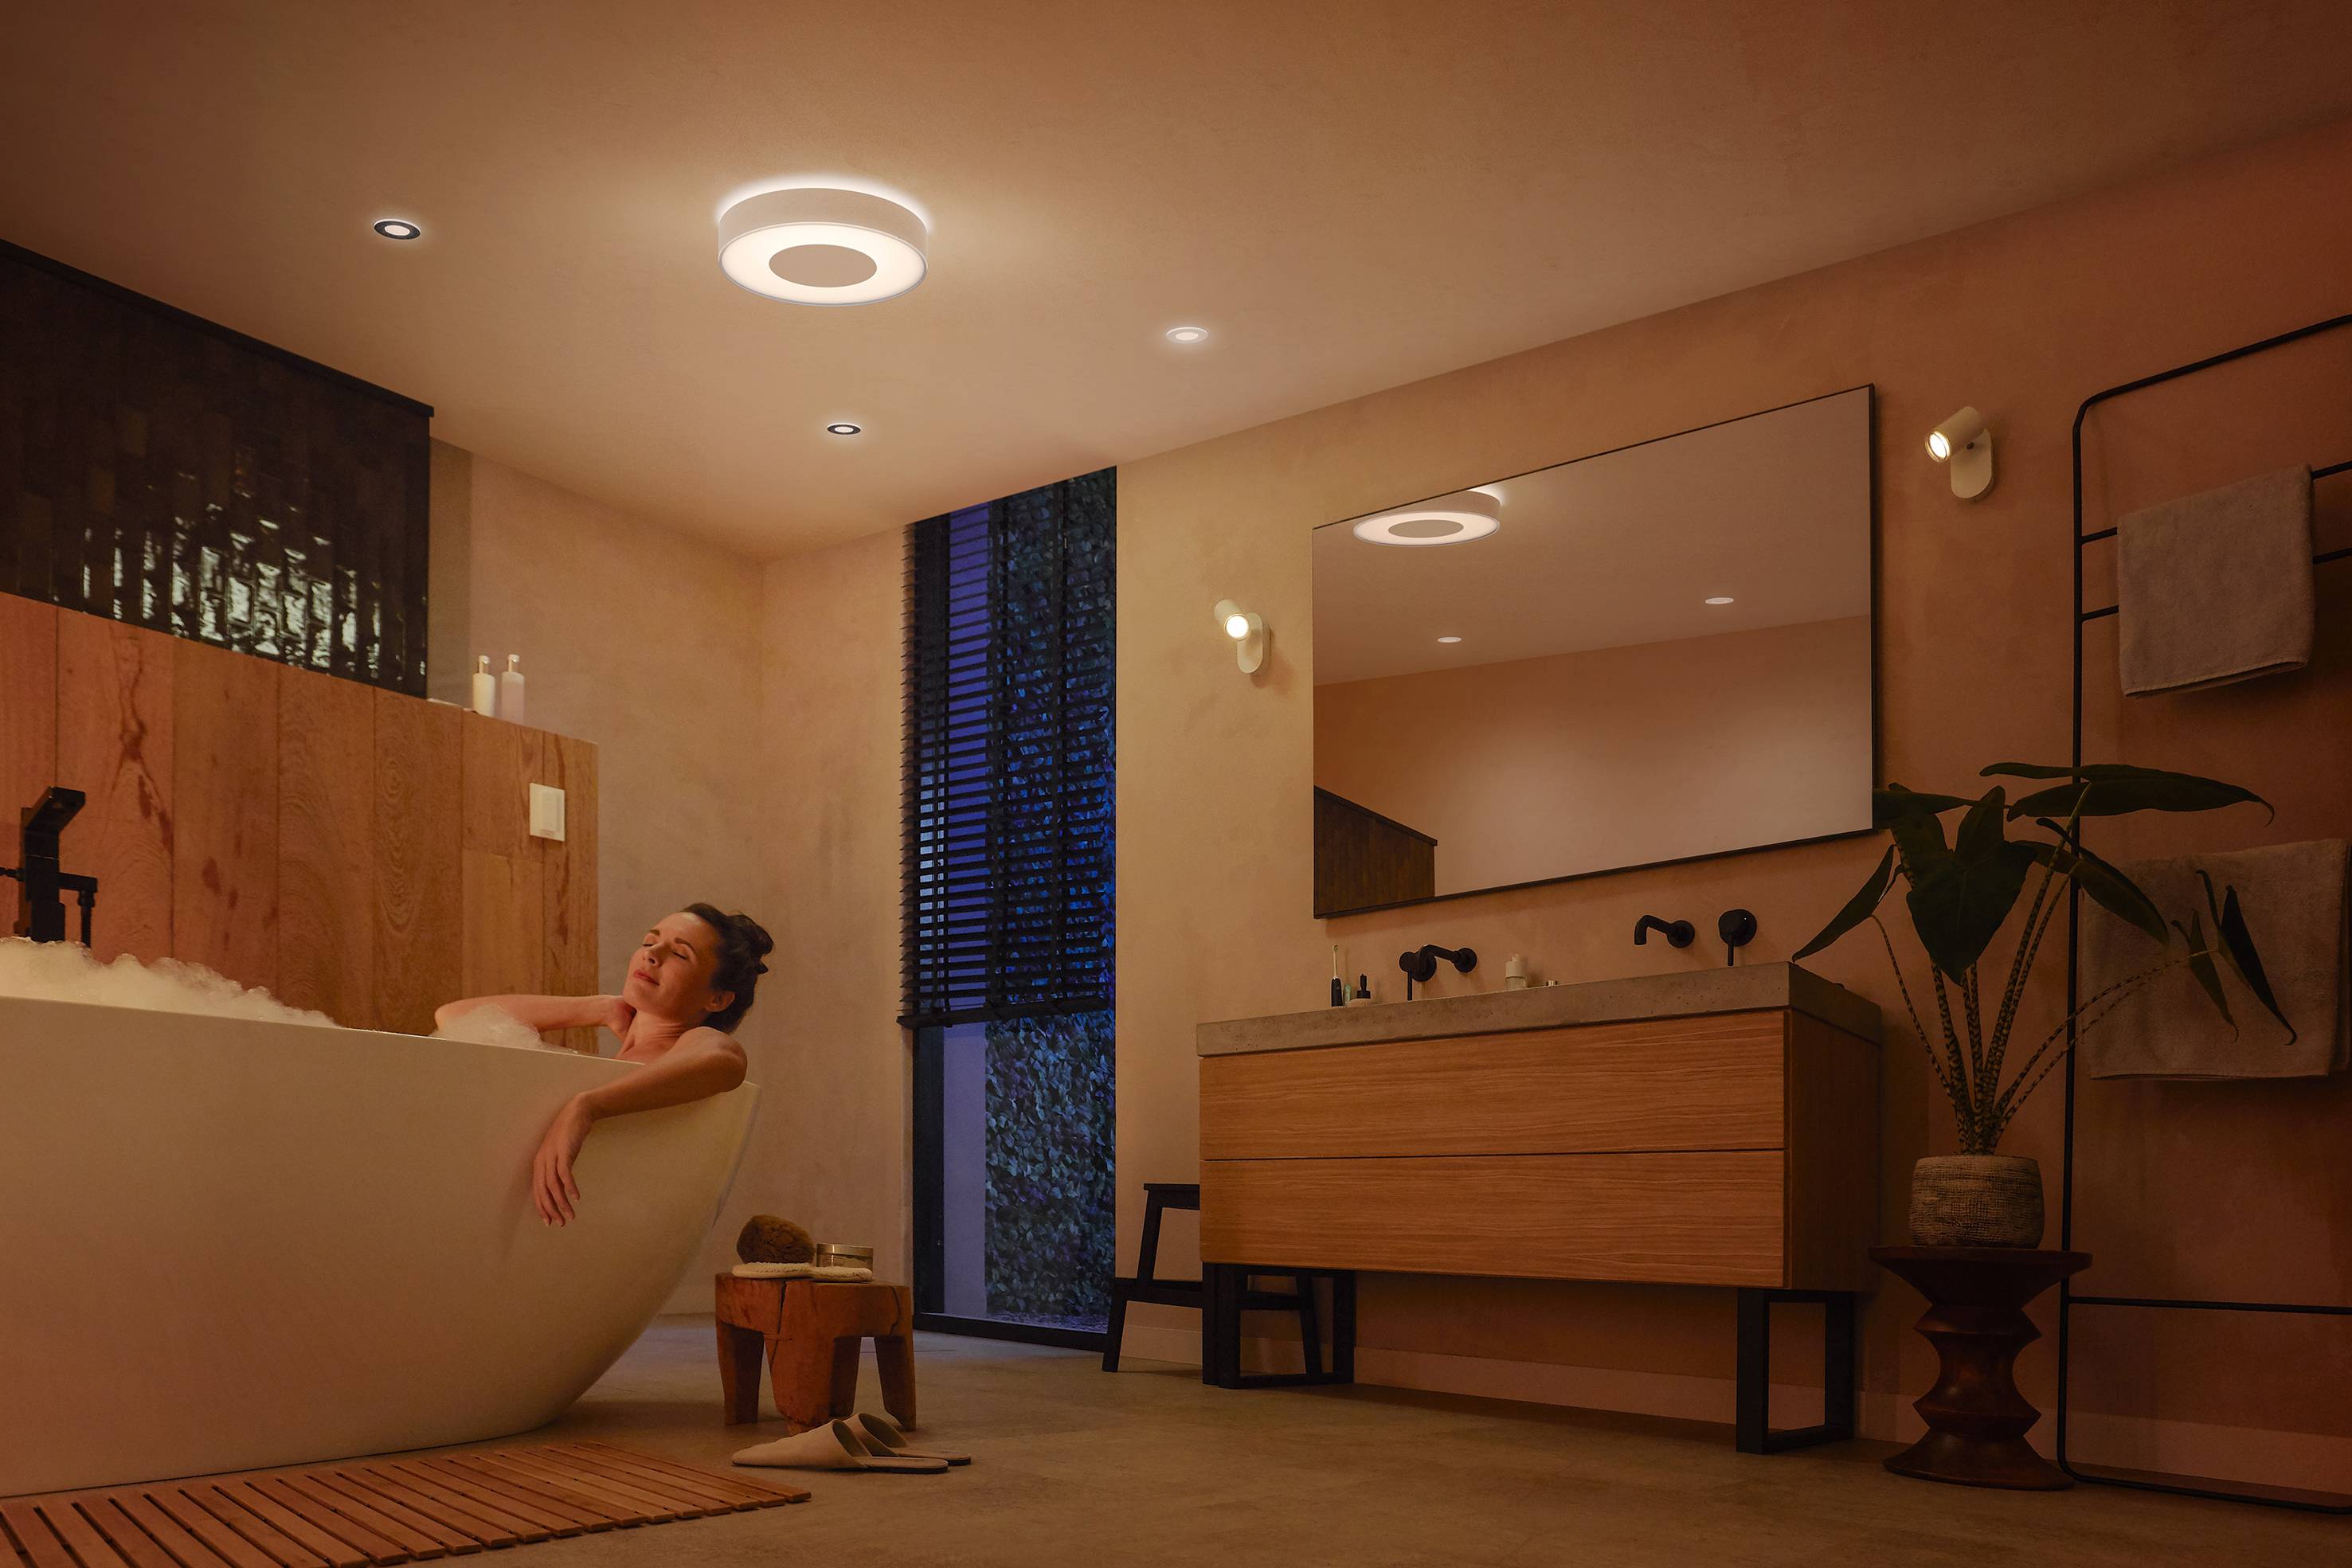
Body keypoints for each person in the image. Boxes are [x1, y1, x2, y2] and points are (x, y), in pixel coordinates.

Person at [434, 902, 772, 1227]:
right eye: (649, 942)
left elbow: (725, 1057)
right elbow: (453, 1018)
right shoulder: (631, 1069)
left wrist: (587, 1106)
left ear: (717, 998)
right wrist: (598, 1009)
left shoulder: (686, 1051)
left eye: (680, 954)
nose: (652, 954)